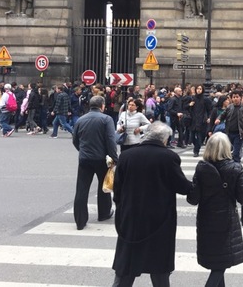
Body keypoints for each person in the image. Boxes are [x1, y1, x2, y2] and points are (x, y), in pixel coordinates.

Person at [112, 121, 193, 287]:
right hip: (159, 219)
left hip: (131, 216)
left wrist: (121, 207)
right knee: (159, 267)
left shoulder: (127, 156)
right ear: (164, 139)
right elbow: (183, 187)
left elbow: (117, 188)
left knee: (127, 266)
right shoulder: (169, 157)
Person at [187, 132, 243, 287]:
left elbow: (193, 199)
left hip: (206, 218)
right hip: (227, 219)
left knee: (218, 261)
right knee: (221, 264)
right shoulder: (235, 168)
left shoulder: (201, 168)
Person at [72, 96, 118, 230]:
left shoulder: (81, 119)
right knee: (103, 187)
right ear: (102, 106)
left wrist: (82, 151)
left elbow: (75, 139)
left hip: (84, 158)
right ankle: (104, 213)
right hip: (101, 158)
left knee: (82, 189)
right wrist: (115, 158)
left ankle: (80, 220)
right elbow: (110, 140)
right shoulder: (106, 119)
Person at [216, 91, 243, 163]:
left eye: (237, 97)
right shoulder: (229, 107)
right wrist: (218, 119)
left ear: (240, 98)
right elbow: (223, 115)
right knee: (227, 151)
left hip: (239, 134)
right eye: (234, 97)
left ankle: (236, 166)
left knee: (236, 152)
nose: (235, 99)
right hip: (229, 132)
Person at [188, 84, 213, 156]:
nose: (198, 90)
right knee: (192, 137)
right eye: (197, 89)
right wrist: (190, 105)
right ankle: (196, 146)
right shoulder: (192, 98)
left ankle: (196, 150)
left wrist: (209, 117)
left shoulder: (205, 99)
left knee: (200, 137)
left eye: (200, 89)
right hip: (193, 120)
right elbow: (186, 108)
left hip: (202, 120)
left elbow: (210, 109)